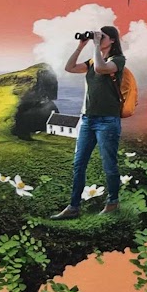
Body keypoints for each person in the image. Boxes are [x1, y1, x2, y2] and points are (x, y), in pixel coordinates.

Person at [52, 26, 125, 219]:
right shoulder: (92, 60)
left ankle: (113, 202)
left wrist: (95, 45)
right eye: (98, 37)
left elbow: (101, 69)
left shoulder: (118, 60)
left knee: (109, 164)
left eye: (103, 37)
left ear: (112, 40)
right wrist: (81, 46)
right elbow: (69, 68)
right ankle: (73, 207)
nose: (98, 39)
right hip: (87, 119)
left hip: (108, 120)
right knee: (79, 164)